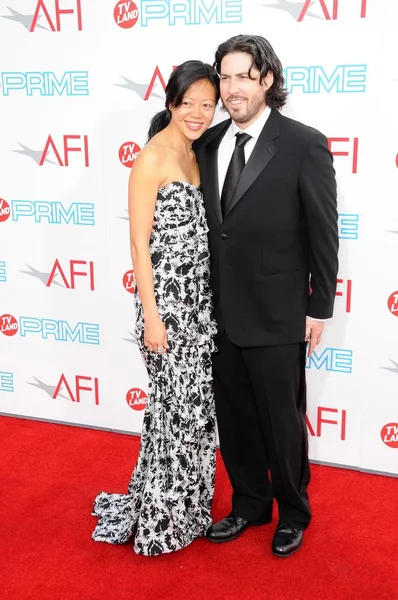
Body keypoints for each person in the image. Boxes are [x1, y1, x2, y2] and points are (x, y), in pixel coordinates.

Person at [194, 35, 339, 557]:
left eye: (243, 77)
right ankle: (250, 504)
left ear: (267, 81)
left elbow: (323, 232)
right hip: (220, 313)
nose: (232, 90)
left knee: (281, 420)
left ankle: (293, 511)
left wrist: (318, 306)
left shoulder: (304, 143)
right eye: (225, 77)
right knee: (234, 417)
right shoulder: (207, 144)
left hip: (278, 313)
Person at [92, 60, 220, 556]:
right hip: (166, 305)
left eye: (206, 105)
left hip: (200, 306)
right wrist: (152, 315)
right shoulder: (152, 158)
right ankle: (163, 516)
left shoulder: (196, 153)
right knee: (174, 409)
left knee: (192, 412)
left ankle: (186, 508)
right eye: (188, 103)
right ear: (171, 102)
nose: (197, 112)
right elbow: (138, 244)